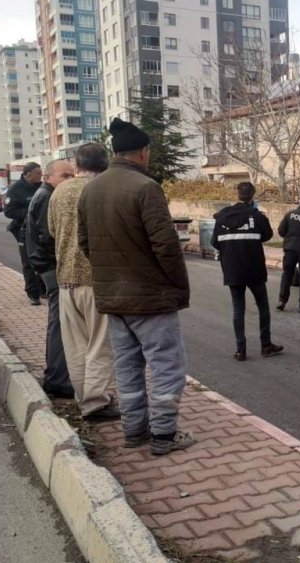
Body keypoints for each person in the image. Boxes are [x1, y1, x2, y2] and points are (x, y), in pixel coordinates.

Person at [78, 117, 194, 456]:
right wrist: (176, 285)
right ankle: (163, 435)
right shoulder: (146, 188)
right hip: (151, 299)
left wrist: (111, 273)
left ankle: (134, 431)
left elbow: (86, 244)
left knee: (127, 367)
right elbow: (166, 246)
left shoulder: (91, 190)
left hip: (114, 299)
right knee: (165, 366)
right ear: (142, 153)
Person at [48, 144, 119, 420]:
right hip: (97, 279)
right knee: (99, 345)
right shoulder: (102, 190)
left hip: (65, 279)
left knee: (76, 346)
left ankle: (83, 398)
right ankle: (96, 403)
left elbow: (53, 231)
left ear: (77, 166)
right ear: (106, 165)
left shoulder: (60, 191)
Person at [211, 181, 284, 361]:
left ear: (237, 195)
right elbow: (267, 235)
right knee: (263, 306)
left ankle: (240, 349)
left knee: (238, 309)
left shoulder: (222, 218)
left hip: (232, 271)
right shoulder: (257, 216)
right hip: (254, 270)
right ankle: (266, 344)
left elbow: (214, 242)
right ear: (252, 197)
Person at [27, 159, 76, 399]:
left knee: (58, 323)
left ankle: (57, 376)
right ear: (48, 177)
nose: (70, 181)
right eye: (65, 176)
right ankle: (57, 379)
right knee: (59, 324)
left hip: (46, 267)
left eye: (72, 175)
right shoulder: (48, 197)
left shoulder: (43, 193)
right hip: (52, 269)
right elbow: (50, 237)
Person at [6, 163, 47, 305]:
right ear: (28, 174)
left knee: (44, 259)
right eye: (38, 173)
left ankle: (43, 289)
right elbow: (9, 211)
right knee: (29, 262)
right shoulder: (15, 190)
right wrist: (30, 213)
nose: (40, 176)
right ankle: (33, 293)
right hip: (23, 230)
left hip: (40, 229)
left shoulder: (42, 187)